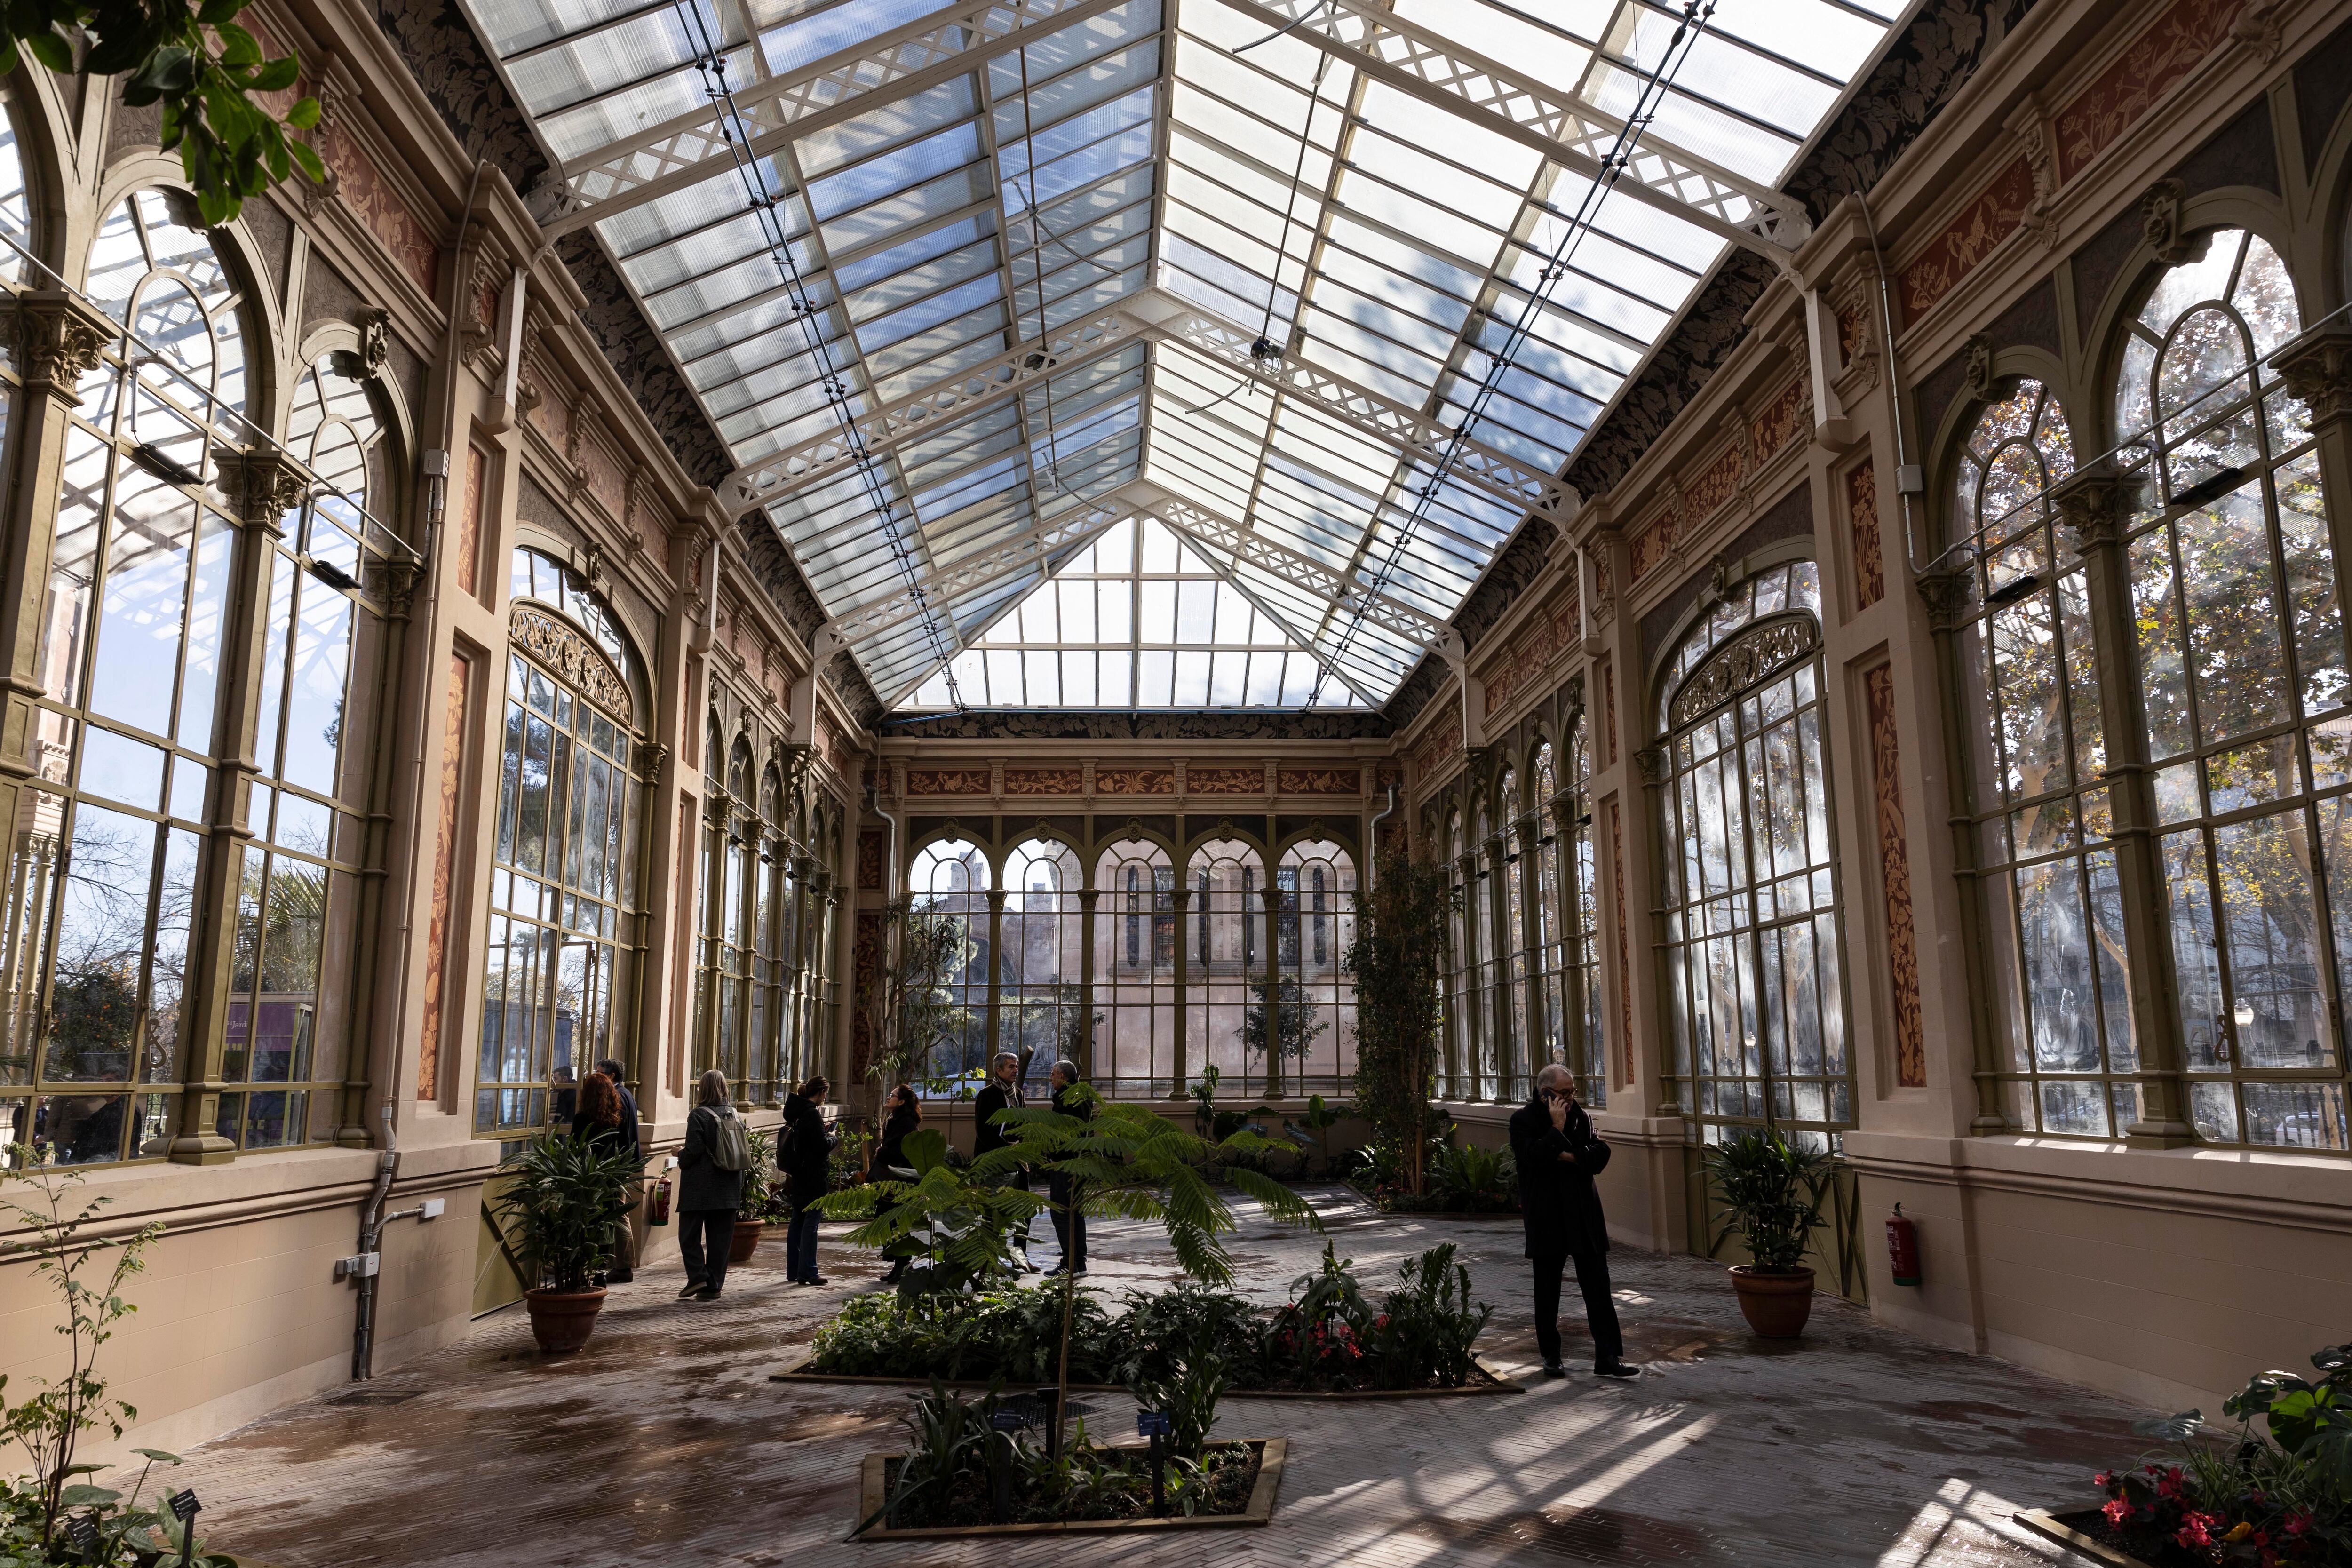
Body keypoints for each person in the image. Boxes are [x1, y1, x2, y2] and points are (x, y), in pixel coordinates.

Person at [1508, 1063, 1639, 1380]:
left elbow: (1601, 1154)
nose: (1571, 1097)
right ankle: (1551, 1356)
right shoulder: (1522, 1121)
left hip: (1584, 1215)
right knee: (1547, 1290)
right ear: (1545, 1094)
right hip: (1547, 1217)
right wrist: (1556, 1130)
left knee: (1598, 1288)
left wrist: (1566, 1155)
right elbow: (1532, 1158)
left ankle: (1607, 1357)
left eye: (1572, 1091)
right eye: (1564, 1093)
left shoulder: (1581, 1115)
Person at [677, 1068, 747, 1302]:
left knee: (688, 1235)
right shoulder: (735, 1114)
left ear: (702, 1088)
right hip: (729, 1186)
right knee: (720, 1240)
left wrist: (680, 1155)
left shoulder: (698, 1115)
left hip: (699, 1188)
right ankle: (713, 1286)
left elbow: (694, 1151)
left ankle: (698, 1276)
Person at [972, 1050, 1033, 1268]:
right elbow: (982, 1131)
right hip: (993, 1160)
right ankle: (988, 1260)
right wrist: (1004, 1149)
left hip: (1018, 1159)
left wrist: (1023, 1146)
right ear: (998, 1071)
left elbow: (1023, 1123)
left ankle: (1021, 1259)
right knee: (992, 1211)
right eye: (1011, 1067)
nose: (1016, 1070)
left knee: (1024, 1209)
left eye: (1017, 1066)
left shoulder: (1019, 1093)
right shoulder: (987, 1095)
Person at [591, 1059, 643, 1283]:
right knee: (618, 1211)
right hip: (622, 1163)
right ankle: (622, 1265)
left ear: (611, 1076)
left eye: (599, 1073)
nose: (594, 1076)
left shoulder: (617, 1098)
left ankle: (623, 1265)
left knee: (617, 1213)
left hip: (614, 1164)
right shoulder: (626, 1094)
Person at [779, 1075, 834, 1286]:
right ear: (821, 1093)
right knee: (811, 1224)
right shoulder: (811, 1114)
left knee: (797, 1222)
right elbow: (821, 1147)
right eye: (825, 1093)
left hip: (798, 1175)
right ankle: (809, 1271)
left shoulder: (796, 1112)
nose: (825, 1097)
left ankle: (794, 1270)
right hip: (813, 1177)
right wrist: (833, 1136)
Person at [869, 1085, 921, 1285]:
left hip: (900, 1182)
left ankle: (903, 1265)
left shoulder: (905, 1123)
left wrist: (881, 1151)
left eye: (893, 1096)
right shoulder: (895, 1120)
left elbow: (901, 1152)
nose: (889, 1097)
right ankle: (900, 1265)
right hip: (892, 1181)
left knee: (896, 1223)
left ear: (901, 1102)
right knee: (888, 1222)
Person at [1044, 1059, 1089, 1276]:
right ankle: (1078, 1263)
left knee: (1061, 1213)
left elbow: (1066, 1134)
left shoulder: (1068, 1099)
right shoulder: (1082, 1096)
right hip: (1078, 1162)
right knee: (1075, 1214)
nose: (1050, 1078)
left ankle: (1071, 1262)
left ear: (1062, 1077)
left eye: (1053, 1074)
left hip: (1066, 1163)